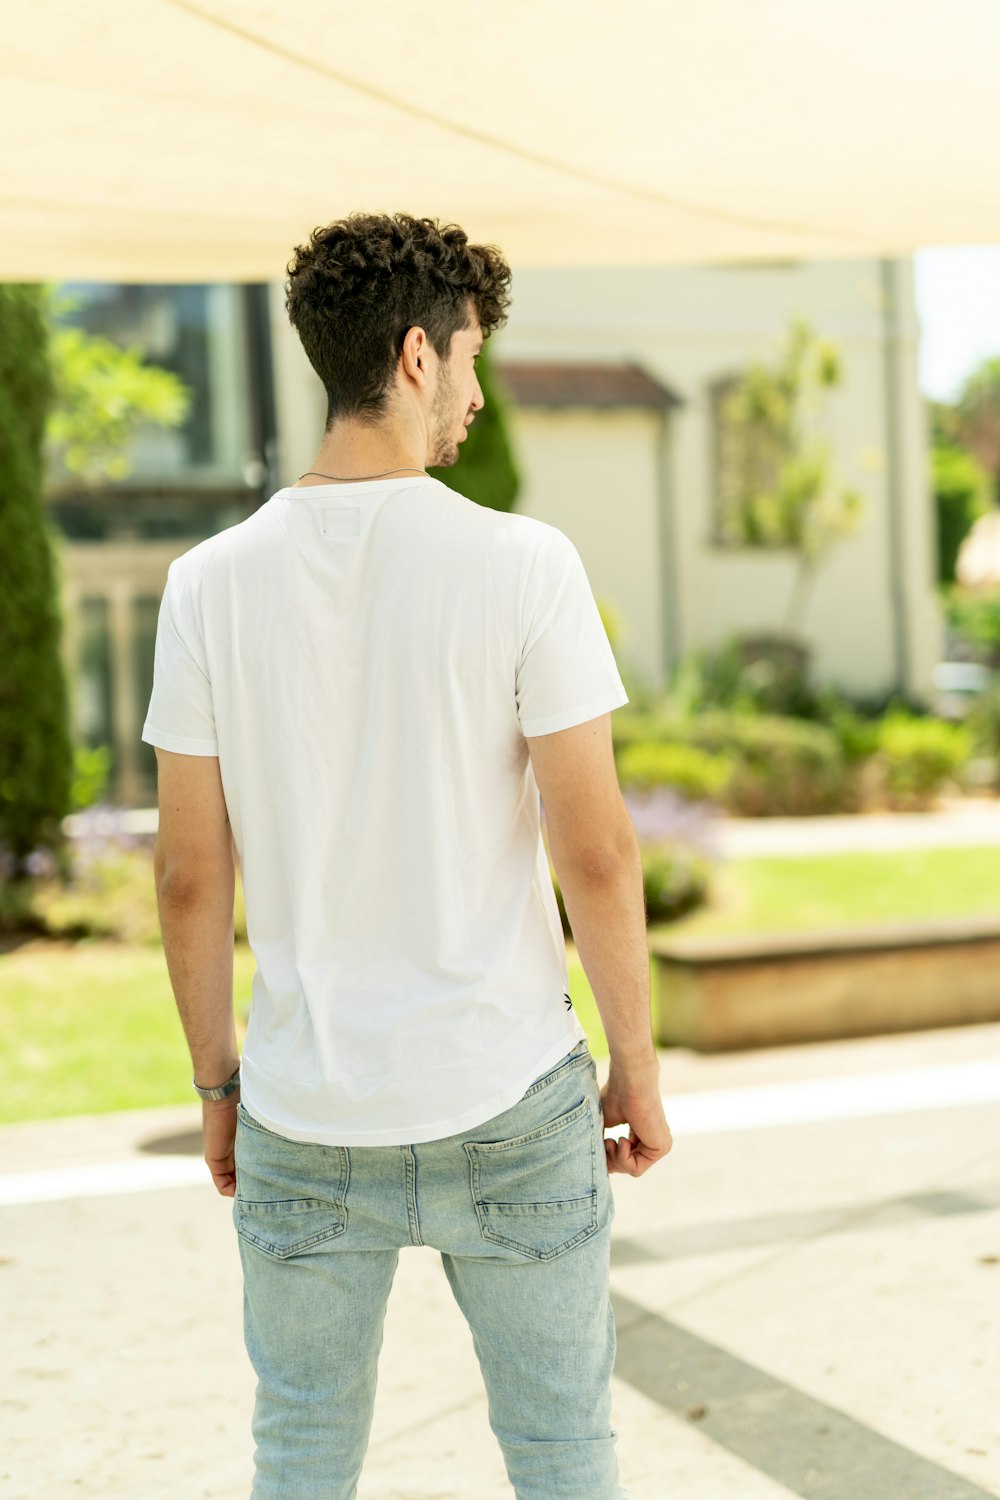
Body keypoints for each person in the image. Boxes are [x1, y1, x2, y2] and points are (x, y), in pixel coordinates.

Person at [142, 210, 673, 1500]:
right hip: (508, 1094)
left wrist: (219, 1087)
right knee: (561, 1452)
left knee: (304, 1452)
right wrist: (637, 1067)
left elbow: (190, 878)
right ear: (417, 356)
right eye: (473, 359)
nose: (479, 395)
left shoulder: (208, 583)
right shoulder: (523, 564)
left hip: (306, 1111)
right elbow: (594, 853)